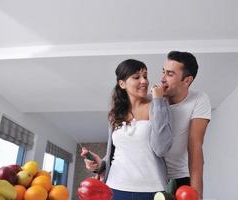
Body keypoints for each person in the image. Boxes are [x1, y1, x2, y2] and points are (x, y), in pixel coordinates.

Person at [81, 59, 172, 200]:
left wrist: (159, 101)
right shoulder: (115, 114)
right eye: (136, 77)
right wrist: (99, 164)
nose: (144, 81)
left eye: (145, 76)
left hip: (153, 190)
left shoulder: (157, 105)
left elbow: (161, 148)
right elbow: (117, 152)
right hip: (115, 188)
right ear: (122, 83)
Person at [155, 51, 211, 199]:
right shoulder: (154, 99)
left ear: (187, 80)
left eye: (170, 74)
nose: (162, 79)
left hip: (181, 178)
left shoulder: (199, 99)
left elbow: (195, 146)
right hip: (152, 178)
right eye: (163, 72)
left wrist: (197, 195)